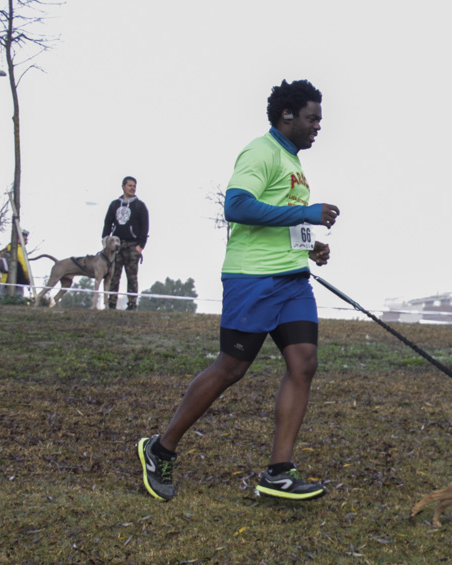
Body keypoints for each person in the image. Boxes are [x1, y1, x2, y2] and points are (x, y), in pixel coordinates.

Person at [138, 79, 340, 502]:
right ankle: (161, 448)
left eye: (320, 119)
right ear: (288, 116)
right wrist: (306, 211)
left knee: (304, 363)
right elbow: (237, 206)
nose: (318, 126)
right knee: (231, 369)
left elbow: (281, 217)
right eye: (312, 118)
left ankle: (278, 472)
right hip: (253, 280)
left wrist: (310, 245)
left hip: (291, 282)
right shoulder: (260, 152)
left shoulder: (294, 165)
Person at [102, 176, 149, 310]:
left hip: (132, 245)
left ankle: (132, 303)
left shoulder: (140, 206)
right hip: (115, 245)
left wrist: (140, 245)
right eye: (130, 185)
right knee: (113, 275)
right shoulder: (114, 204)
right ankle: (111, 303)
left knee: (132, 276)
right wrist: (105, 242)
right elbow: (107, 223)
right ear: (123, 186)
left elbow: (145, 227)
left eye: (134, 186)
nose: (132, 188)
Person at [0, 229, 31, 295]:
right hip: (16, 281)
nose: (26, 242)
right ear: (18, 239)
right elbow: (24, 266)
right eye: (25, 239)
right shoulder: (18, 249)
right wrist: (28, 278)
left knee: (3, 303)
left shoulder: (6, 249)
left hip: (3, 281)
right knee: (17, 303)